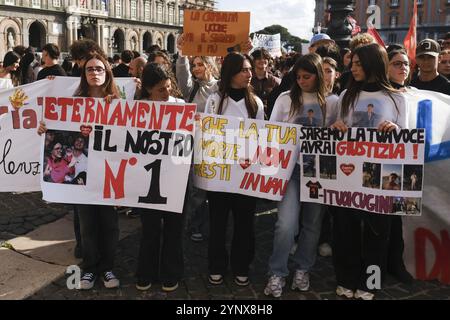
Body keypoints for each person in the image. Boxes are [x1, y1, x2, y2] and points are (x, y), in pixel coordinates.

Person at [331, 43, 408, 300]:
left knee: (378, 231)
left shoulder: (397, 98)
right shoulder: (345, 96)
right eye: (351, 63)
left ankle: (371, 282)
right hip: (348, 174)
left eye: (357, 63)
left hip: (381, 177)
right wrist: (338, 127)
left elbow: (405, 138)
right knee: (345, 230)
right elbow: (338, 132)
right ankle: (346, 278)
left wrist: (395, 129)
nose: (352, 68)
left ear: (373, 63)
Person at [38, 54, 121, 290]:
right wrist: (45, 127)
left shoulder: (119, 103)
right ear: (84, 75)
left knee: (110, 224)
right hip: (81, 175)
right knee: (86, 224)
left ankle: (107, 268)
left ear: (107, 73)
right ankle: (89, 268)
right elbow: (59, 129)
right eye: (90, 69)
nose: (94, 73)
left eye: (99, 69)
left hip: (109, 172)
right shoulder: (73, 103)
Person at [264, 53, 333, 298]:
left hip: (319, 171)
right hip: (289, 170)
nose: (302, 81)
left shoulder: (331, 102)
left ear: (318, 75)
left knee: (312, 224)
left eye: (307, 76)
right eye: (298, 77)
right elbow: (271, 132)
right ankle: (277, 271)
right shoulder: (285, 99)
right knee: (285, 224)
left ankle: (303, 268)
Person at [204, 52, 264, 287]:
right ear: (231, 73)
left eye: (250, 69)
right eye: (244, 70)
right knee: (218, 224)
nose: (249, 74)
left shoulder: (255, 103)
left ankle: (241, 266)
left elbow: (261, 137)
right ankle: (216, 266)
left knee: (244, 224)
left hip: (246, 175)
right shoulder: (215, 100)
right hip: (220, 176)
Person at [135, 63, 186, 293]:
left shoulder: (181, 106)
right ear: (147, 89)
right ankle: (146, 271)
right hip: (148, 180)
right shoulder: (136, 109)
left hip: (175, 177)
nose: (166, 95)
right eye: (160, 90)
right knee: (150, 228)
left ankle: (170, 272)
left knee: (174, 228)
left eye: (168, 88)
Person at [176, 34, 219, 242]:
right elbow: (182, 74)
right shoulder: (191, 87)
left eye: (200, 64)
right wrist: (182, 54)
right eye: (194, 65)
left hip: (215, 145)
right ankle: (196, 225)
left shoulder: (220, 88)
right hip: (193, 144)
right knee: (197, 189)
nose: (196, 68)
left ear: (210, 65)